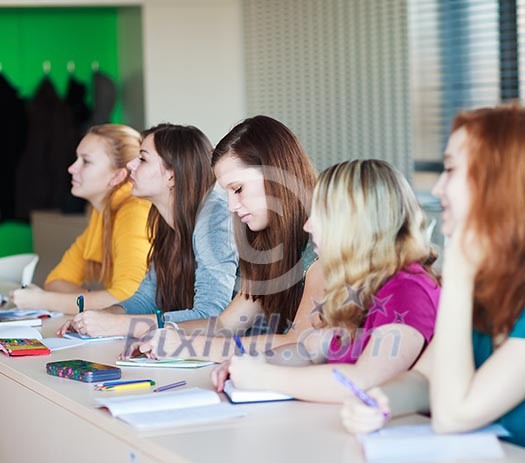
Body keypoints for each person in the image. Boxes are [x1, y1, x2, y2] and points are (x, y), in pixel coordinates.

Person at [340, 104, 525, 447]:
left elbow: (452, 415)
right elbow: (425, 379)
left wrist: (459, 271)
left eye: (451, 170)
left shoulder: (468, 278)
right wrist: (380, 400)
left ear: (498, 184)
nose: (438, 189)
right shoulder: (491, 284)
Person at [212, 159, 441, 402]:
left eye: (320, 214)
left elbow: (364, 381)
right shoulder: (360, 284)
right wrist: (250, 363)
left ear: (355, 221)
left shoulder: (408, 290)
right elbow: (309, 352)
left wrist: (265, 376)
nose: (308, 226)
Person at [122, 115, 322, 362]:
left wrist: (186, 345)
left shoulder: (321, 244)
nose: (232, 205)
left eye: (238, 189)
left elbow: (299, 342)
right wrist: (165, 334)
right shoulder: (268, 246)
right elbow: (226, 324)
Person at [57, 124, 238, 338]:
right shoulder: (165, 222)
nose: (131, 165)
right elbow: (146, 299)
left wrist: (117, 325)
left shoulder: (214, 219)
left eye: (142, 159)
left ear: (172, 176)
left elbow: (210, 316)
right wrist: (95, 318)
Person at [10, 124, 151, 314]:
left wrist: (43, 301)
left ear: (117, 176)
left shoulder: (134, 212)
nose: (71, 168)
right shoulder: (102, 214)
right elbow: (56, 281)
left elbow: (127, 299)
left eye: (86, 161)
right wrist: (96, 301)